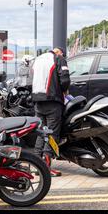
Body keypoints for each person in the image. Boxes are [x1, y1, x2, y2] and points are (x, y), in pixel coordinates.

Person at [31, 47, 70, 177]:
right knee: (52, 133)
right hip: (53, 100)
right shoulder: (58, 59)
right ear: (59, 52)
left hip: (37, 100)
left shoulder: (38, 60)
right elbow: (65, 80)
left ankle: (35, 164)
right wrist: (65, 91)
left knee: (41, 133)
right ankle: (46, 167)